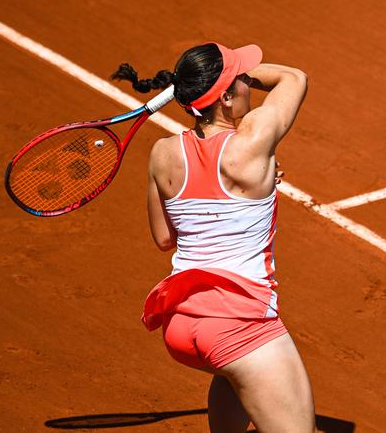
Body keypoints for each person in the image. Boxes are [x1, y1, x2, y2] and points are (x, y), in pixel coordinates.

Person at [111, 42, 315, 433]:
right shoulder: (251, 142)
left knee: (231, 372)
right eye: (243, 78)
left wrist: (201, 85)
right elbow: (293, 78)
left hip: (182, 326)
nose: (249, 84)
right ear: (224, 96)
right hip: (240, 325)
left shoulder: (163, 152)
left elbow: (163, 238)